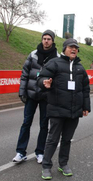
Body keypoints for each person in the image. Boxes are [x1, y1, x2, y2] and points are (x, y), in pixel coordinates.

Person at [38, 38, 91, 180]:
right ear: (64, 49)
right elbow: (41, 77)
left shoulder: (80, 68)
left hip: (74, 111)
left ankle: (63, 164)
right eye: (71, 47)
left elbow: (85, 89)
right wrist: (45, 83)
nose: (74, 49)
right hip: (57, 109)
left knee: (67, 139)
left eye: (76, 48)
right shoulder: (54, 63)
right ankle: (46, 166)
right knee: (52, 139)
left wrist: (86, 106)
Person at [12, 30, 59, 164]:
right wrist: (22, 91)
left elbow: (59, 77)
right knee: (26, 123)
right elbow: (25, 74)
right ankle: (21, 152)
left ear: (52, 41)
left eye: (49, 39)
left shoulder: (57, 57)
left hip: (46, 96)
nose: (46, 41)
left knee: (44, 125)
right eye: (44, 38)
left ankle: (40, 152)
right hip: (32, 94)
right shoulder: (33, 54)